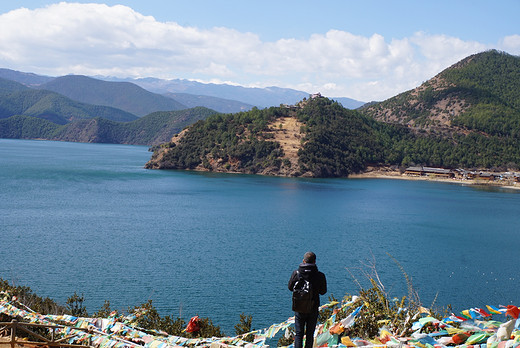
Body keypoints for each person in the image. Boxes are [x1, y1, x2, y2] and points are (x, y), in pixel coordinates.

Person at [288, 251, 327, 348]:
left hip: (299, 308)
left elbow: (290, 287)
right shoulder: (320, 275)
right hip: (313, 308)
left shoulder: (296, 274)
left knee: (299, 334)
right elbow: (323, 291)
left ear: (303, 261)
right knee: (310, 334)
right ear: (315, 262)